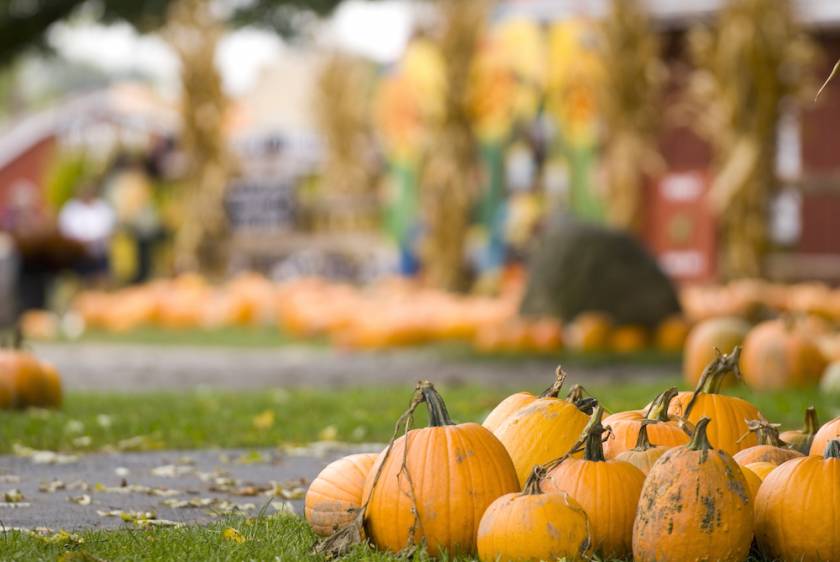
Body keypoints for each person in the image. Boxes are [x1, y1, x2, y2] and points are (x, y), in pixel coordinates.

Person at [58, 183, 115, 282]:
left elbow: (109, 230)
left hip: (99, 254)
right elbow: (65, 231)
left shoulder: (103, 208)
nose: (86, 194)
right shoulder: (70, 209)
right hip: (77, 255)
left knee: (101, 281)